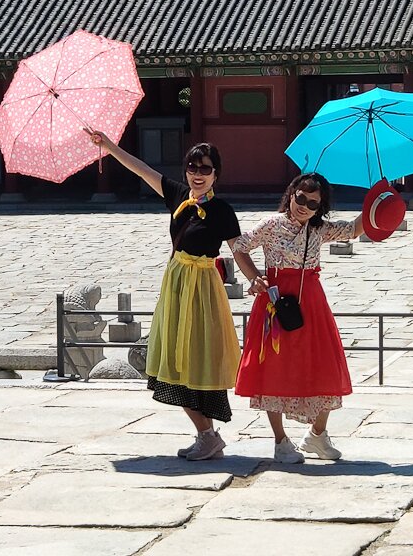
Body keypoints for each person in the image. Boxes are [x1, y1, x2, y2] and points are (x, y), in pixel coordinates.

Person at [89, 132, 241, 461]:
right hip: (175, 287)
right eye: (192, 167)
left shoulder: (222, 210)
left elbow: (238, 250)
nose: (198, 174)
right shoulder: (178, 195)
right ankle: (206, 435)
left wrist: (257, 278)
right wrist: (109, 146)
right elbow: (141, 169)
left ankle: (208, 435)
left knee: (199, 357)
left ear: (216, 174)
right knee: (173, 359)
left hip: (203, 290)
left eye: (205, 168)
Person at [232, 172, 363, 464]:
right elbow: (239, 246)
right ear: (291, 195)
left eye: (312, 203)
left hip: (311, 303)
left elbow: (354, 229)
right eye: (300, 198)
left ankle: (317, 435)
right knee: (273, 368)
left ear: (320, 207)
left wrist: (379, 197)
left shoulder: (320, 230)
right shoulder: (271, 224)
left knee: (324, 363)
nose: (304, 206)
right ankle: (280, 441)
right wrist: (254, 277)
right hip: (275, 302)